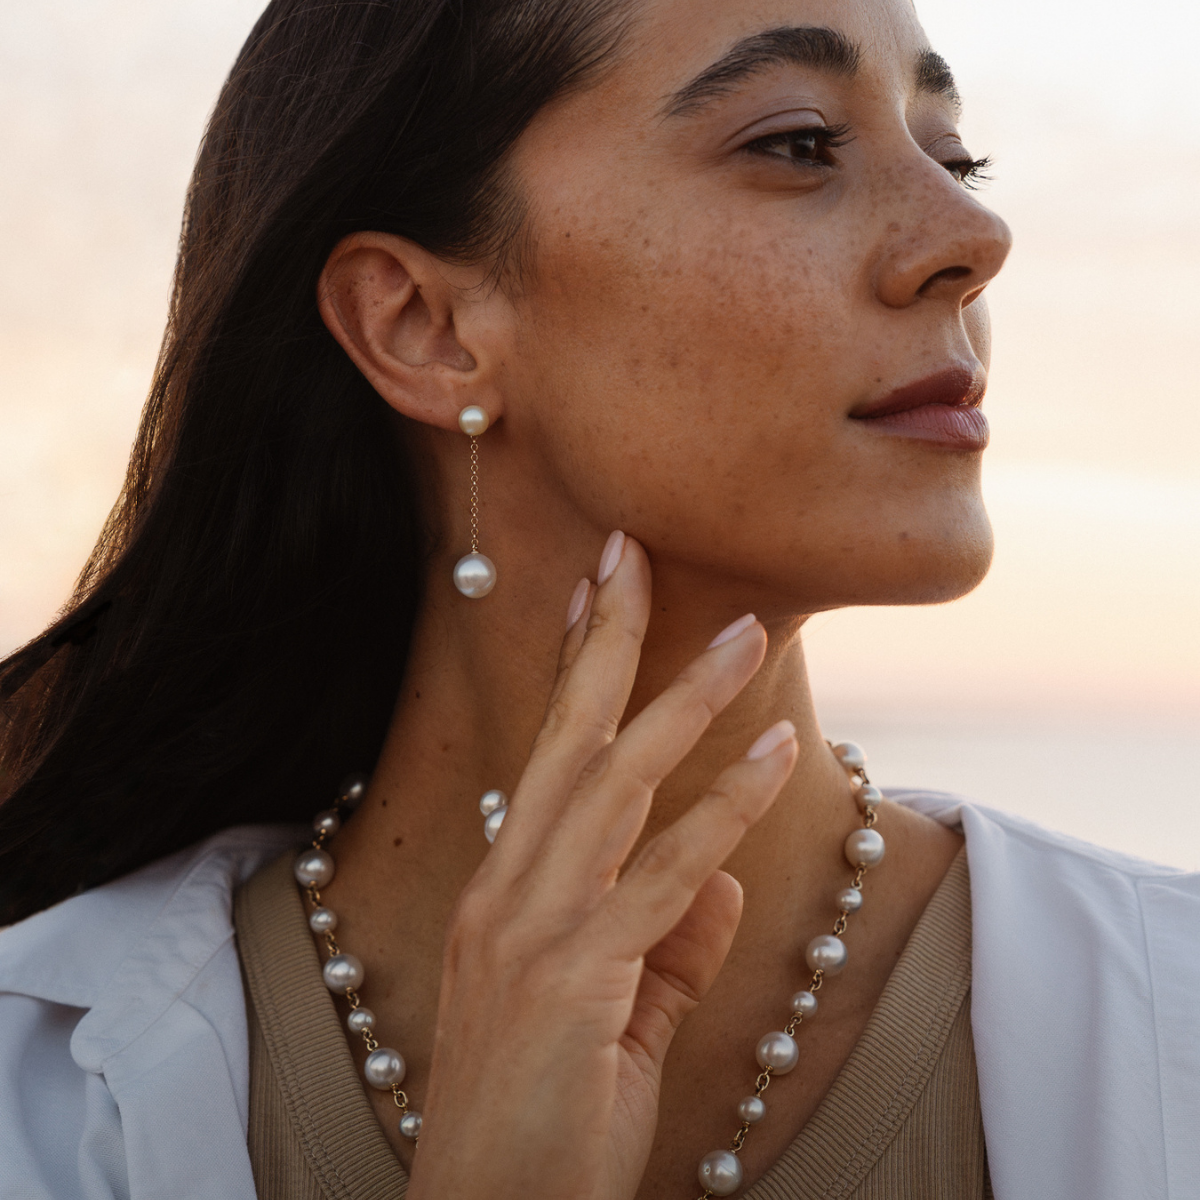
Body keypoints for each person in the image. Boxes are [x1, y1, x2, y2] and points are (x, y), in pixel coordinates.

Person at [1, 0, 1196, 1197]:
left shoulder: (1170, 1015)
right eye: (796, 143)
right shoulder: (32, 1094)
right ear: (424, 324)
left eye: (953, 155)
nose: (972, 233)